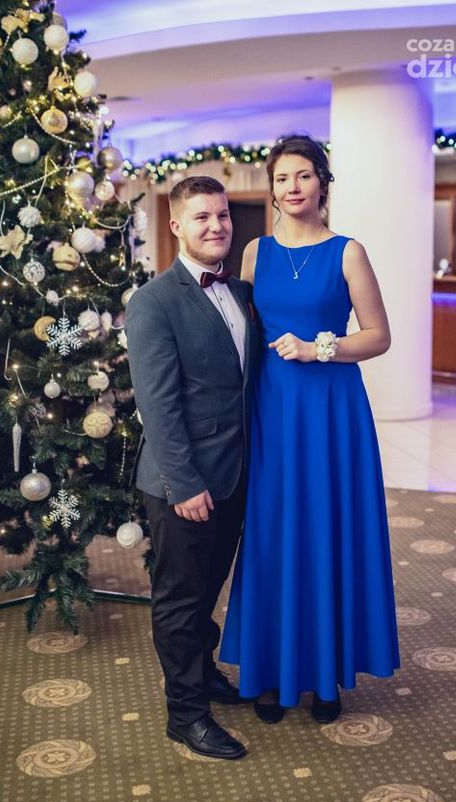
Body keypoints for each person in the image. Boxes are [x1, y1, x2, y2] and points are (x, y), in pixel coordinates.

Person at [220, 134, 400, 724]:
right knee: (272, 531)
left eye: (302, 175)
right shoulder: (255, 253)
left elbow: (378, 336)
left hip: (330, 411)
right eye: (281, 178)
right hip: (271, 409)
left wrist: (318, 347)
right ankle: (272, 672)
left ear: (322, 183)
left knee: (325, 528)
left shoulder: (348, 252)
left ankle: (325, 674)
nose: (291, 187)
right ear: (271, 190)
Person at [126, 176, 259, 759]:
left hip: (234, 472)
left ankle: (202, 671)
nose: (216, 226)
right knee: (180, 598)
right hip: (181, 481)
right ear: (177, 224)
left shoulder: (243, 293)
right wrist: (184, 484)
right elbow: (157, 405)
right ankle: (186, 715)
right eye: (202, 217)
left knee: (210, 586)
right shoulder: (153, 301)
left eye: (222, 215)